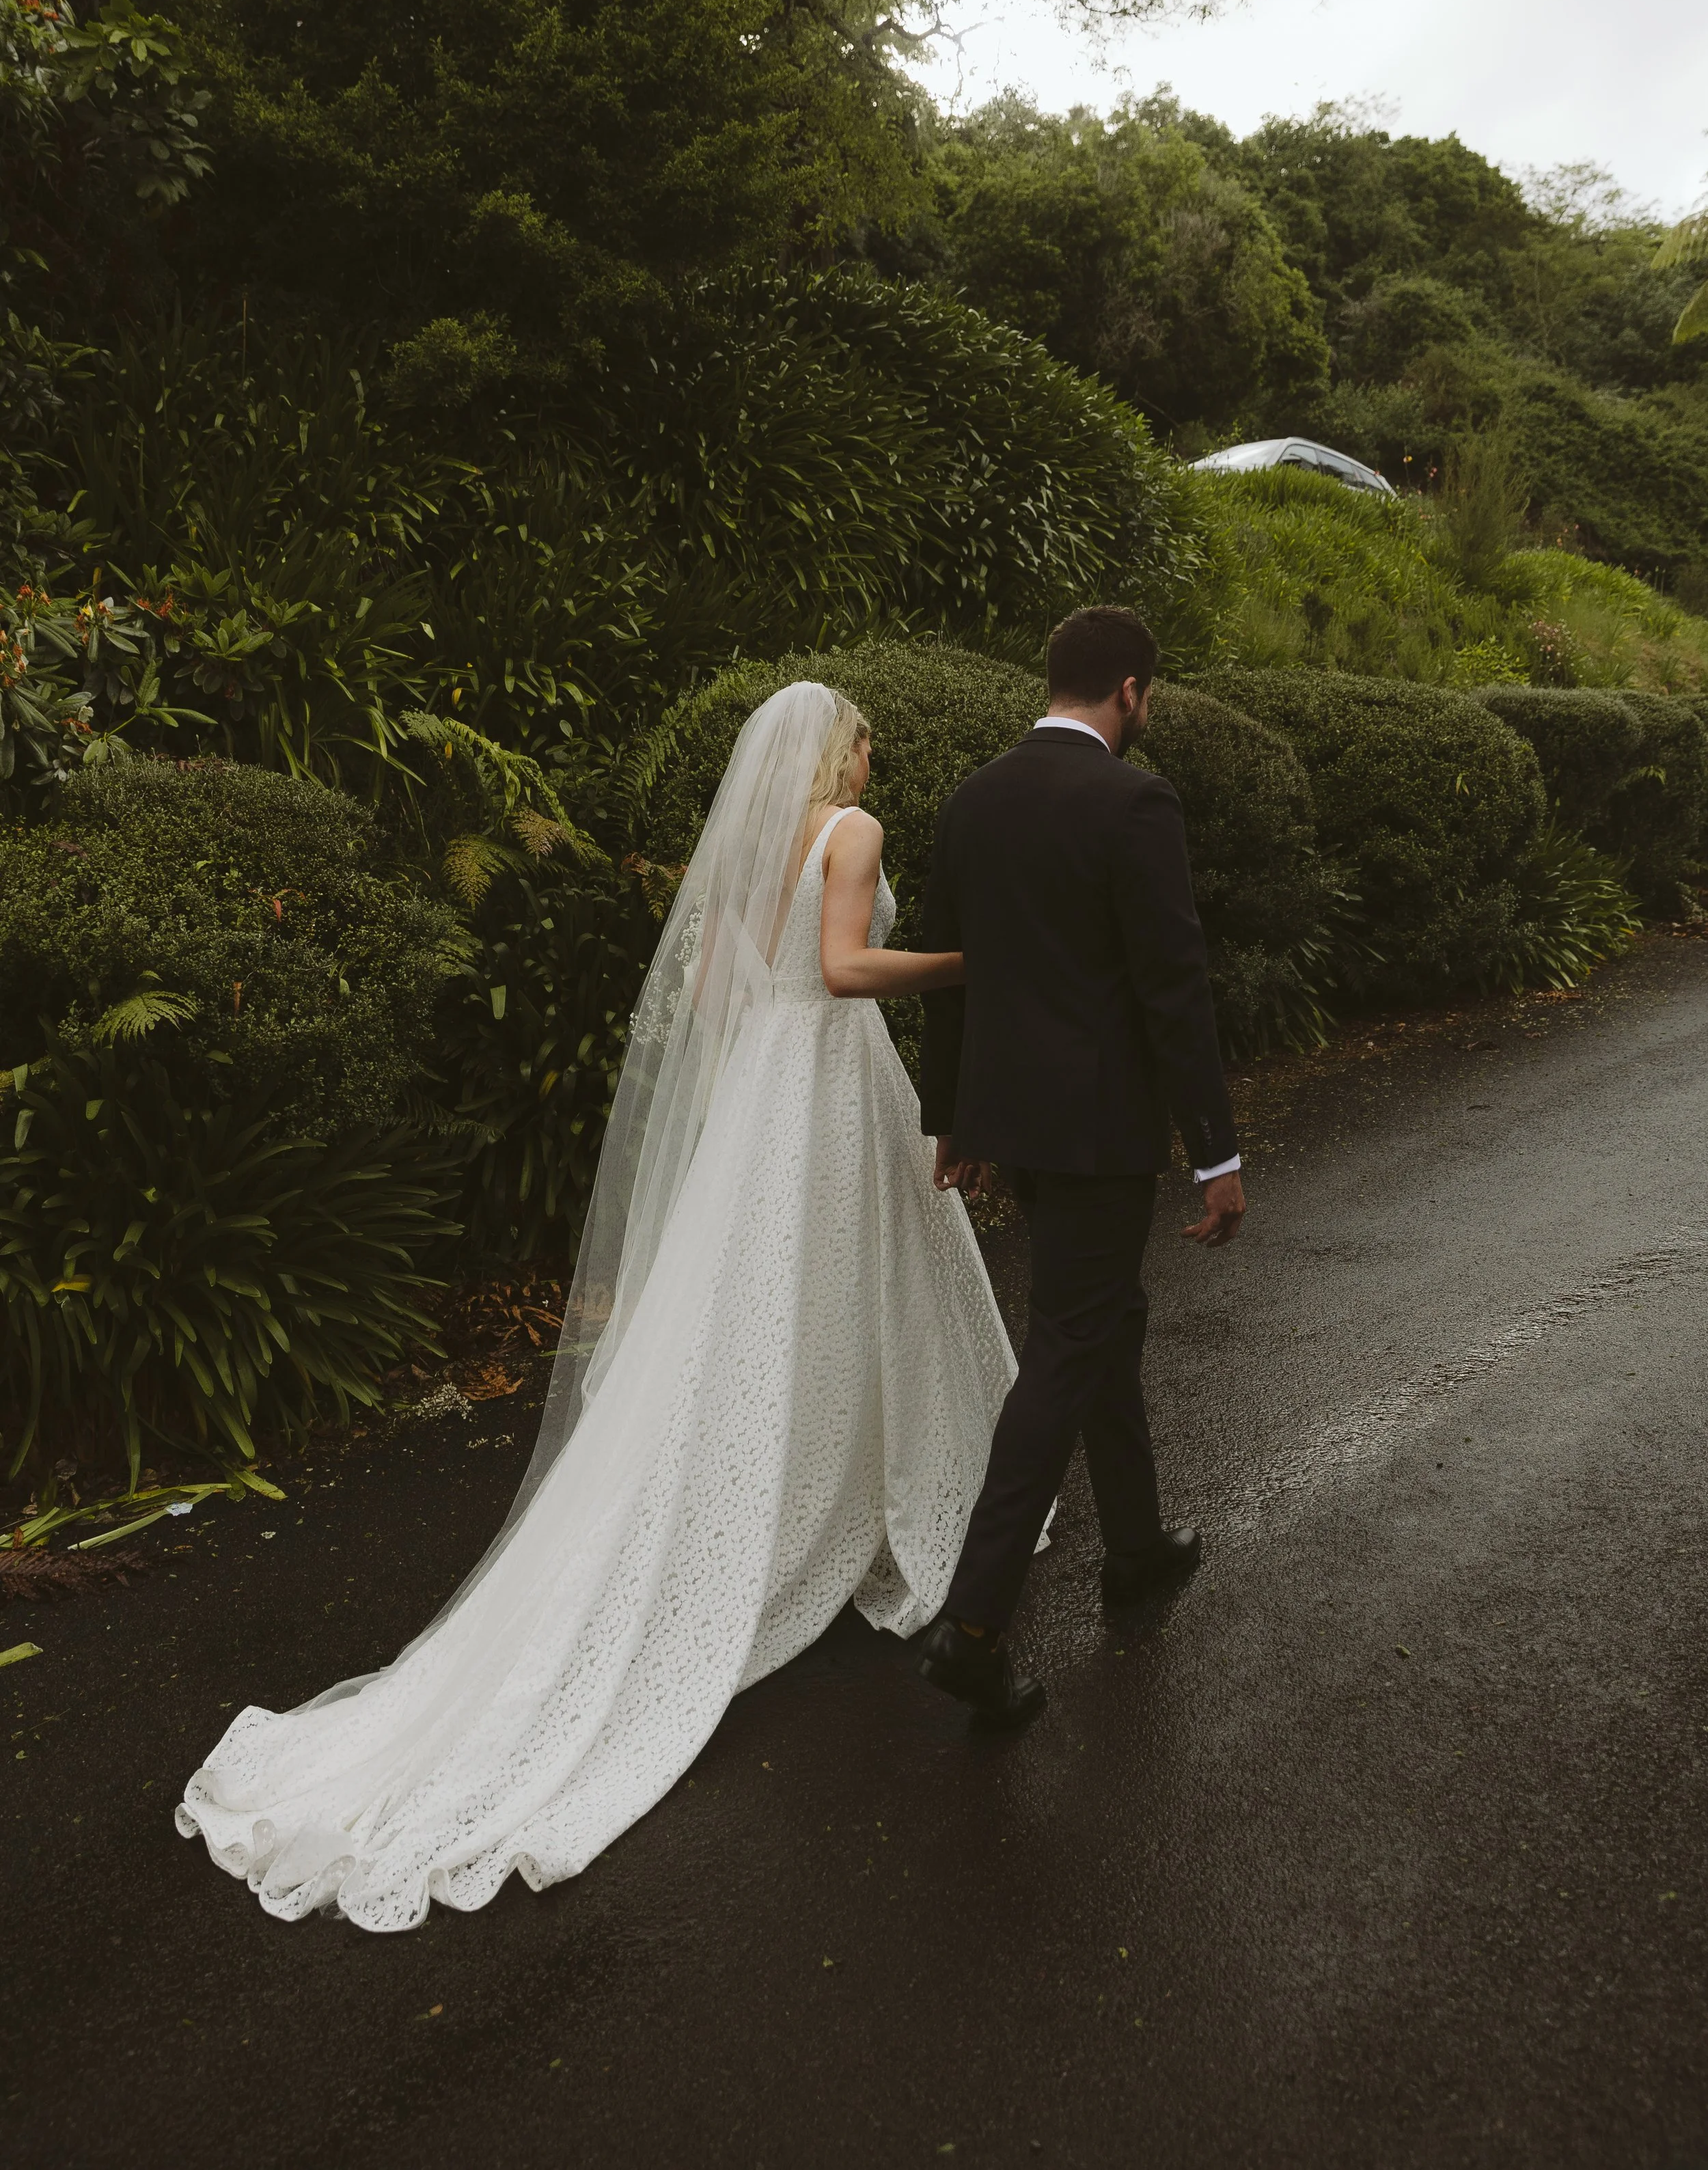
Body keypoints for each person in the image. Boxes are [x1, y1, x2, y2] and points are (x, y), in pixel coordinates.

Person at [177, 682, 1017, 1929]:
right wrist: (968, 961)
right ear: (838, 747)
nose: (870, 751)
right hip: (833, 1083)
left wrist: (745, 1113)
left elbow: (722, 999)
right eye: (863, 733)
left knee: (756, 1324)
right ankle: (874, 1497)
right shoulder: (852, 832)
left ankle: (819, 1487)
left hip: (765, 1095)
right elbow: (843, 970)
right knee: (853, 1299)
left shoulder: (744, 846)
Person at [914, 605, 1245, 1729]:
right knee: (1064, 1349)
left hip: (1015, 1122)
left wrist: (951, 1120)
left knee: (1106, 1319)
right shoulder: (1134, 802)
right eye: (1149, 694)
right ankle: (973, 1627)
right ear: (1133, 691)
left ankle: (1139, 1549)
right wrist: (1218, 1152)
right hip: (1103, 1134)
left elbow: (961, 972)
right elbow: (1173, 986)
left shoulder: (974, 798)